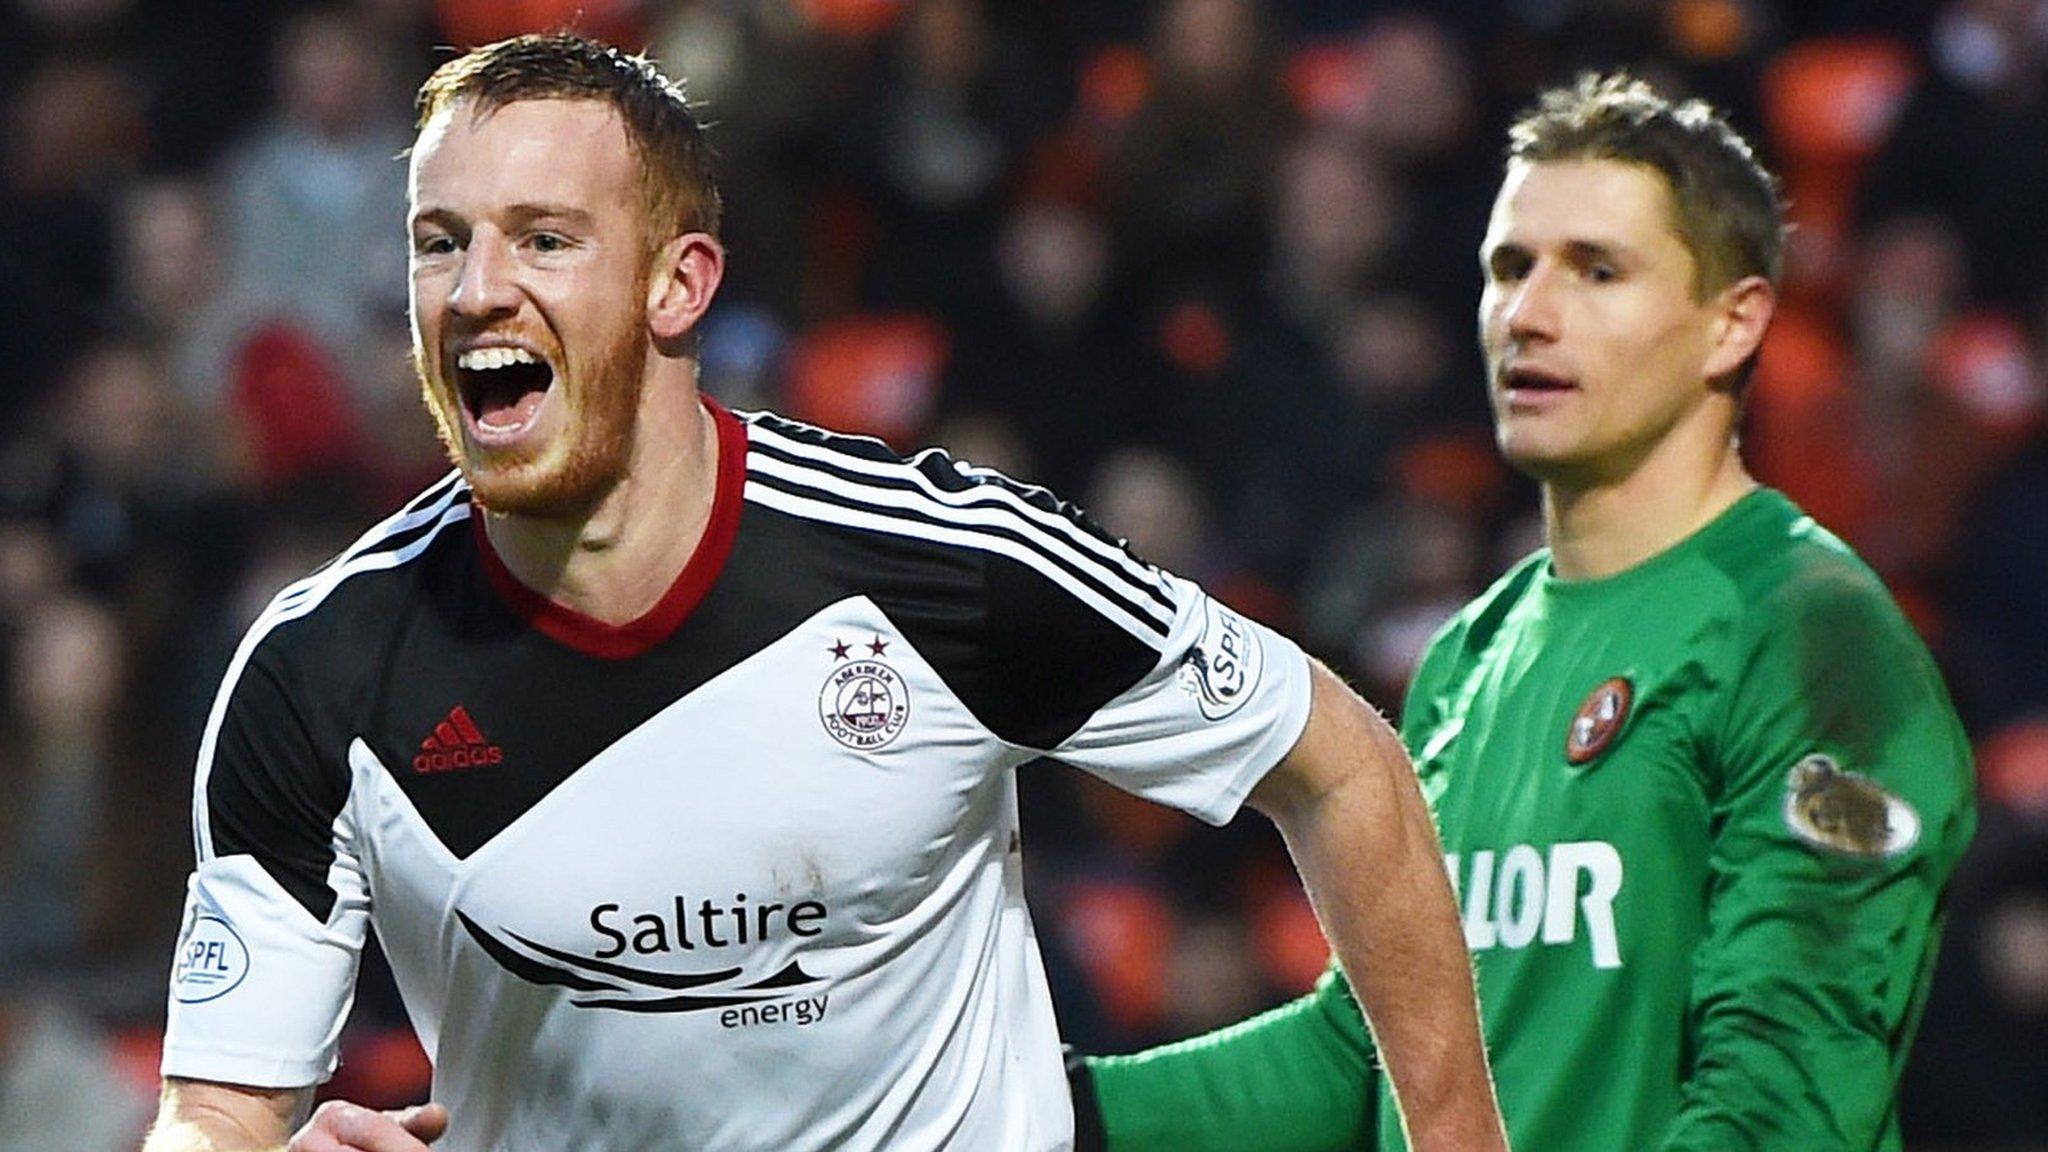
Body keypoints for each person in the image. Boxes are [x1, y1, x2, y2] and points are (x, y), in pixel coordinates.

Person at [142, 34, 1506, 1152]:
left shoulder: (941, 567)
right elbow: (212, 1112)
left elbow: (1340, 763)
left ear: (680, 285)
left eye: (541, 239)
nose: (477, 290)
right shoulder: (319, 673)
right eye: (440, 244)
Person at [1070, 72, 1978, 1152]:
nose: (1528, 315)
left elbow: (1784, 1101)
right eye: (1509, 268)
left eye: (1596, 271)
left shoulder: (1810, 635)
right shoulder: (1469, 658)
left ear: (1730, 324)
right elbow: (1365, 1054)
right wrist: (1043, 1106)